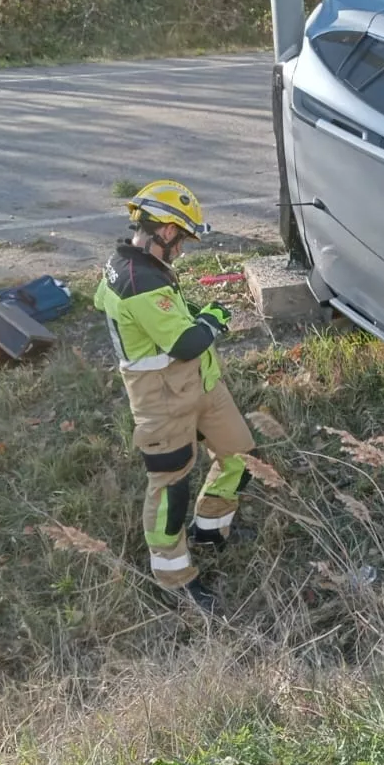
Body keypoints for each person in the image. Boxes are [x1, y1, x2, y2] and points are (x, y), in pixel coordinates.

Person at [93, 180, 256, 612]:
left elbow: (143, 314)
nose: (181, 249)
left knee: (240, 456)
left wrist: (191, 317)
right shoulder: (138, 281)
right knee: (170, 490)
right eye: (181, 239)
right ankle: (174, 578)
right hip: (161, 402)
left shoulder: (137, 266)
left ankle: (210, 530)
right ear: (165, 231)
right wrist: (213, 318)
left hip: (201, 385)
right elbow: (186, 343)